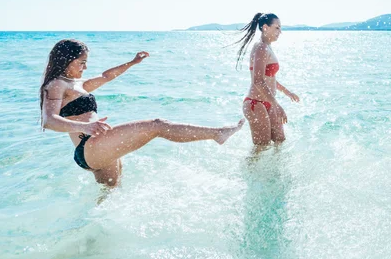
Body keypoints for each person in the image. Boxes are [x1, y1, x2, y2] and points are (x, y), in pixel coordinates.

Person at [40, 39, 244, 187]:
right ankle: (217, 134)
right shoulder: (56, 84)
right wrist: (86, 126)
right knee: (157, 125)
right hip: (90, 146)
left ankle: (92, 242)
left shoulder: (76, 84)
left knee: (109, 199)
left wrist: (132, 62)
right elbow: (49, 120)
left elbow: (106, 76)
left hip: (99, 147)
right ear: (66, 60)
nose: (85, 67)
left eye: (86, 62)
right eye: (81, 62)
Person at [235, 13, 300, 146]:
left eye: (280, 28)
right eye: (277, 28)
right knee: (261, 148)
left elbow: (269, 78)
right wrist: (276, 105)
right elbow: (257, 80)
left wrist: (288, 92)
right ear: (265, 27)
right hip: (255, 103)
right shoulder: (261, 48)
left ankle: (276, 168)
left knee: (279, 141)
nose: (280, 32)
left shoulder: (268, 47)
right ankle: (251, 167)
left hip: (268, 102)